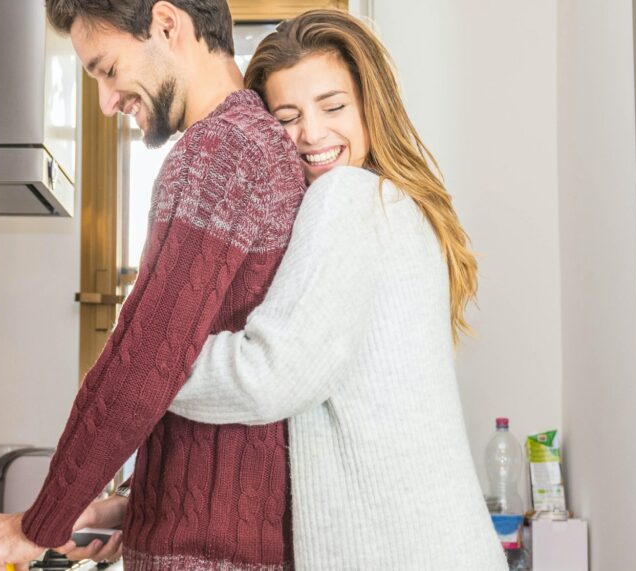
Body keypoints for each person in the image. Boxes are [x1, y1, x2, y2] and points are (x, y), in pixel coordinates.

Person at [62, 9, 509, 570]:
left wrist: (149, 354)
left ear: (372, 106)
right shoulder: (392, 206)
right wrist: (137, 508)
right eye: (288, 116)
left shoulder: (345, 198)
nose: (313, 134)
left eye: (333, 106)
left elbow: (267, 378)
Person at [0, 1, 307, 570]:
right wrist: (130, 505)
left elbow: (146, 358)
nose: (105, 102)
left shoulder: (220, 151)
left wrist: (39, 522)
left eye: (107, 69)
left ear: (167, 26)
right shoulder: (251, 145)